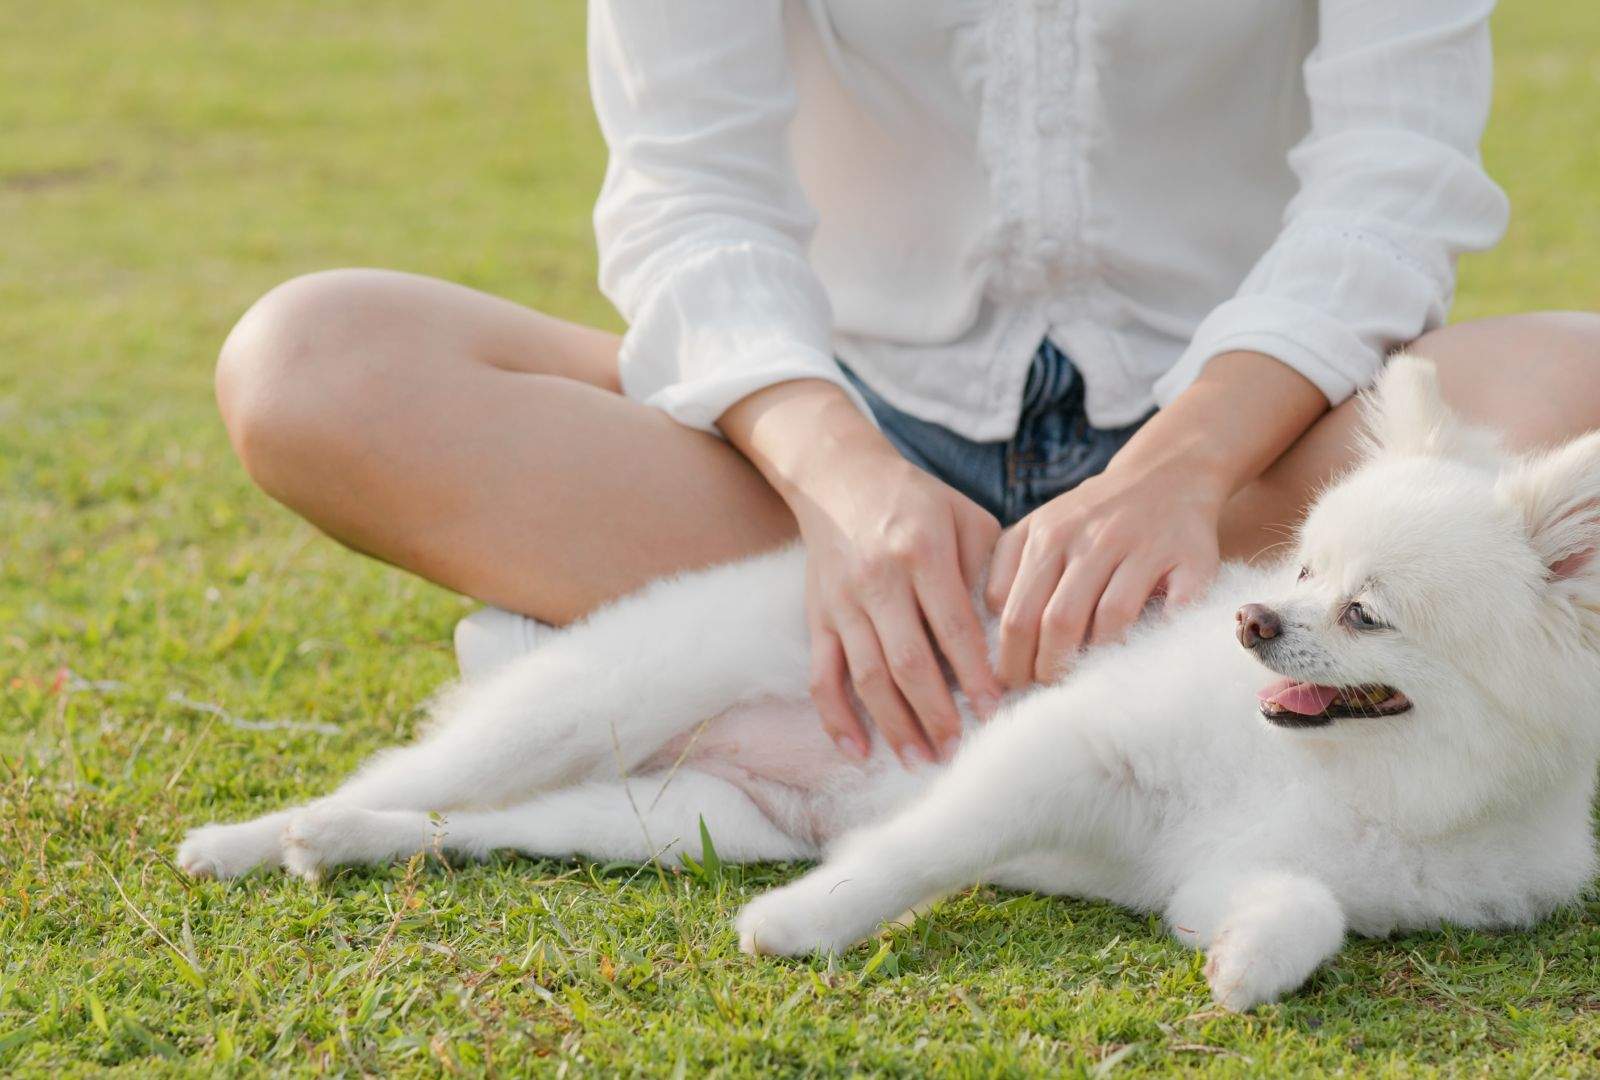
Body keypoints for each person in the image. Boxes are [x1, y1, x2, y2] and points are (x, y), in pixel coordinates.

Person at [212, 1, 1600, 770]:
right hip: (811, 451)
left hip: (1245, 471)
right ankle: (1018, 661)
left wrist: (1178, 468)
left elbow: (1392, 181)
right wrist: (849, 485)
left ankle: (798, 694)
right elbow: (688, 194)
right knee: (314, 359)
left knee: (1579, 385)